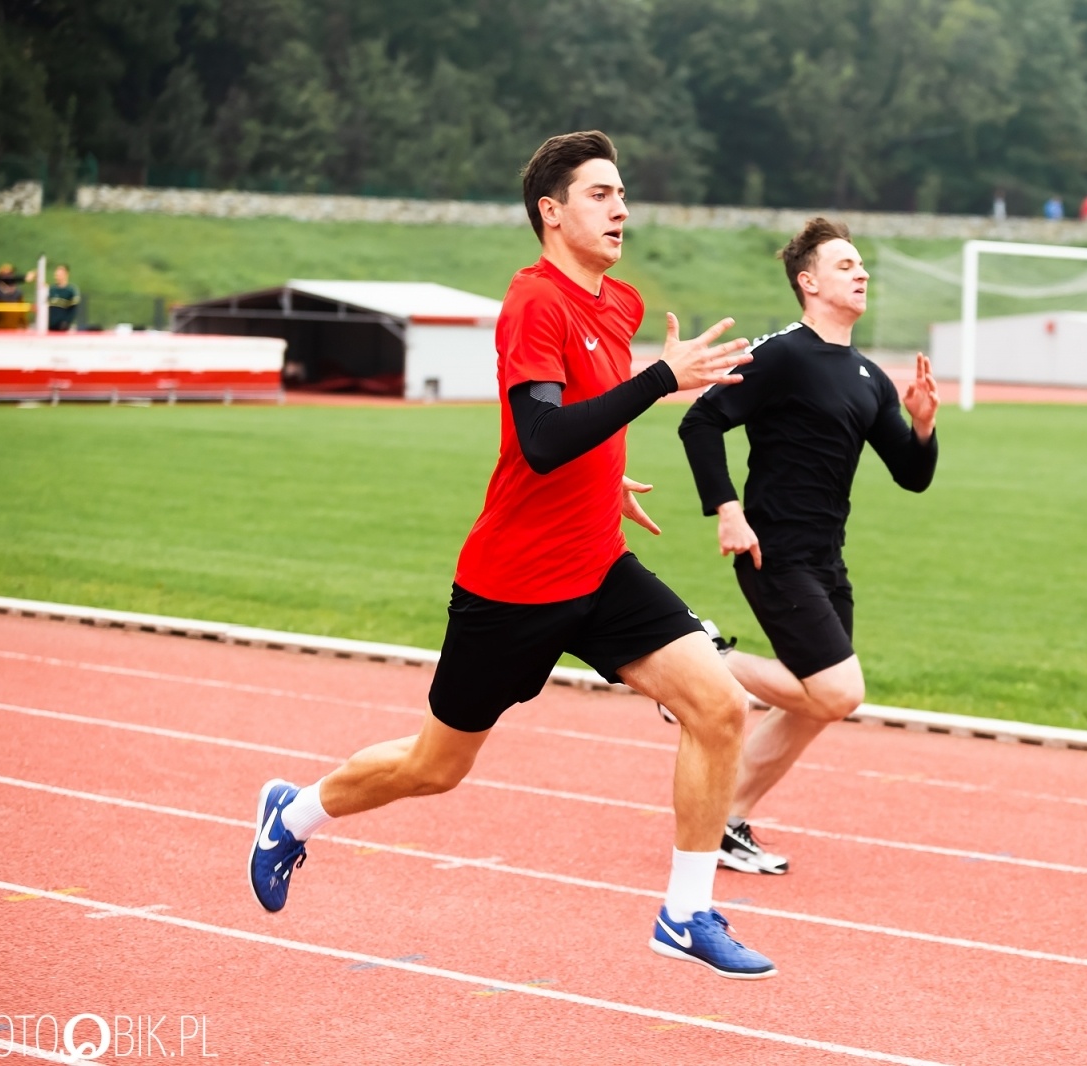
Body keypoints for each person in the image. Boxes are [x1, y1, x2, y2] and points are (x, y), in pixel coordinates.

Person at [247, 130, 779, 980]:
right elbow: (538, 439)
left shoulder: (620, 304)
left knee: (719, 707)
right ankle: (294, 815)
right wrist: (660, 381)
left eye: (621, 193)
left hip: (599, 567)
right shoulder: (533, 303)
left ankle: (685, 912)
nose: (622, 209)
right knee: (435, 768)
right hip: (513, 586)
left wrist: (609, 478)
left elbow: (584, 422)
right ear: (551, 210)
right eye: (601, 194)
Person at [676, 218, 939, 876]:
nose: (862, 273)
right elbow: (700, 420)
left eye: (862, 265)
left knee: (813, 704)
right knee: (838, 692)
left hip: (827, 558)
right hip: (773, 549)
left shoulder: (868, 376)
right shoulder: (783, 355)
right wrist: (727, 512)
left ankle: (727, 817)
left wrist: (924, 424)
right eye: (846, 264)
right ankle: (700, 658)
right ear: (809, 281)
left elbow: (911, 475)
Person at [0, 264, 30, 329]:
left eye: (10, 274)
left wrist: (24, 326)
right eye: (6, 274)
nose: (9, 277)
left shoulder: (18, 293)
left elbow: (22, 313)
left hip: (14, 329)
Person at [48, 265, 80, 332]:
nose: (57, 277)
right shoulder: (51, 290)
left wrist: (66, 322)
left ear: (66, 275)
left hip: (62, 327)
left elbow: (73, 310)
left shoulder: (71, 290)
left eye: (59, 275)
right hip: (50, 326)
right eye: (56, 275)